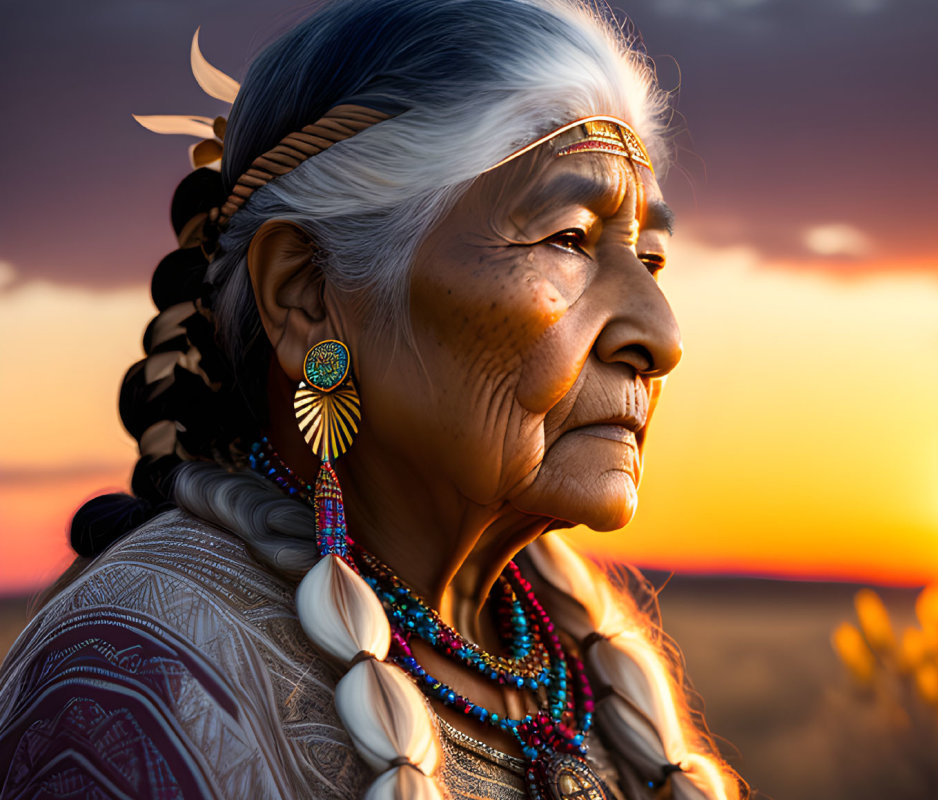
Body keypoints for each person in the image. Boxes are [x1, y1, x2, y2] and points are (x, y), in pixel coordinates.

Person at [0, 1, 743, 798]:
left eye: (653, 259)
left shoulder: (579, 669)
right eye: (566, 238)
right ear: (307, 294)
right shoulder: (141, 675)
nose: (660, 336)